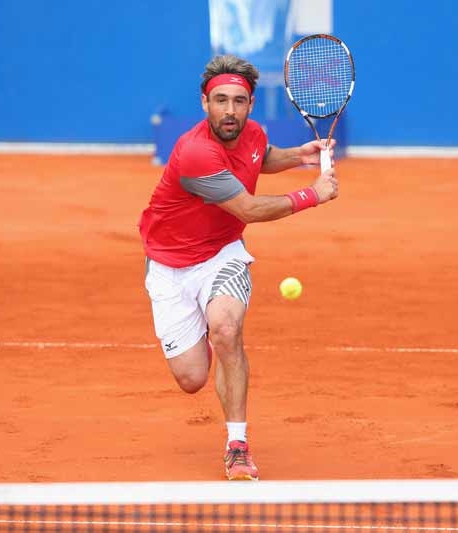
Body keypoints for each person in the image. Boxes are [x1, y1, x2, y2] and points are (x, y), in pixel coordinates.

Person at [138, 54, 339, 481]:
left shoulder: (253, 133)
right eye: (221, 101)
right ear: (204, 102)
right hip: (169, 265)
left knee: (227, 329)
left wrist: (300, 156)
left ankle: (237, 445)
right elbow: (247, 208)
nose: (230, 111)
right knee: (192, 378)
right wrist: (313, 194)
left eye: (239, 101)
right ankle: (207, 336)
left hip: (222, 254)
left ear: (250, 104)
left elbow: (260, 156)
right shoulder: (195, 153)